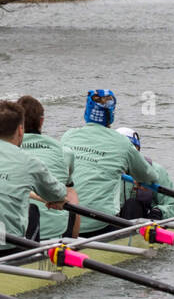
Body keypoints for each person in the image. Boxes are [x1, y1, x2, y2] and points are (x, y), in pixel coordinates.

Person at [0, 100, 67, 257]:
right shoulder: (30, 162)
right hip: (8, 246)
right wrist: (56, 199)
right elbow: (58, 194)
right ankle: (32, 260)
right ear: (20, 130)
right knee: (32, 211)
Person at [60, 90, 160, 236]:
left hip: (65, 221)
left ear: (86, 112)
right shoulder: (123, 143)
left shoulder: (67, 136)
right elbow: (151, 177)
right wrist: (139, 179)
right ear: (111, 115)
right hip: (100, 224)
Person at [16, 95, 81, 240]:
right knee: (71, 192)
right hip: (53, 231)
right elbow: (69, 193)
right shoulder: (65, 151)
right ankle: (75, 244)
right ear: (42, 121)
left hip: (12, 231)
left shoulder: (5, 150)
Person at [115, 127, 174, 221]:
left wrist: (159, 212)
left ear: (137, 149)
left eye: (127, 148)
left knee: (132, 205)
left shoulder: (156, 171)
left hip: (143, 221)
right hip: (111, 221)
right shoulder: (103, 170)